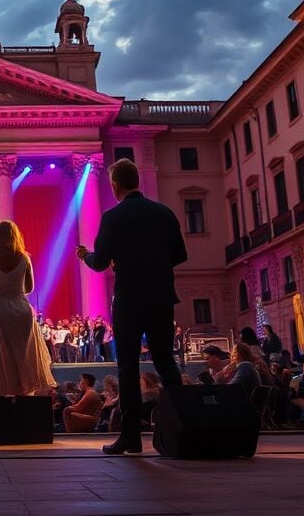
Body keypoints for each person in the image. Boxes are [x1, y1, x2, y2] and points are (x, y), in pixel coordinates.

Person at [76, 158, 188, 455]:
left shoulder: (113, 217)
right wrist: (153, 262)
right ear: (136, 181)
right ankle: (185, 427)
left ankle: (130, 437)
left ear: (115, 186)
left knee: (128, 366)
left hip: (129, 300)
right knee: (166, 362)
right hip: (162, 296)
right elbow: (179, 254)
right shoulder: (164, 212)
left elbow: (100, 262)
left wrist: (85, 255)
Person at [0, 219, 57, 396]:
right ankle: (24, 394)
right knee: (24, 352)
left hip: (1, 308)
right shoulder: (24, 257)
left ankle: (7, 394)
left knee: (2, 353)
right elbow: (29, 288)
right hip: (21, 308)